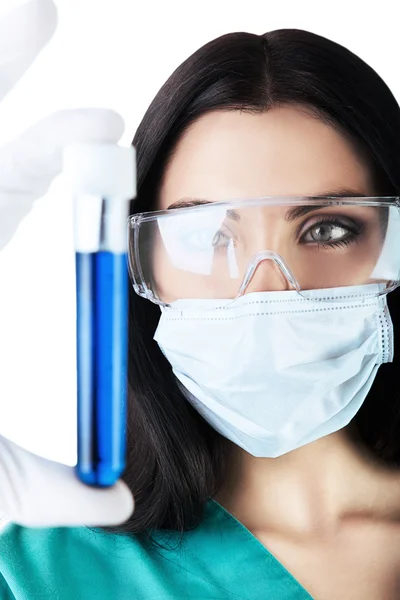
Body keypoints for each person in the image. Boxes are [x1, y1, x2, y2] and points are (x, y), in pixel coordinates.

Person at [1, 1, 400, 599]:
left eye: (328, 230)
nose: (267, 289)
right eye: (209, 236)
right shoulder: (38, 578)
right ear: (140, 263)